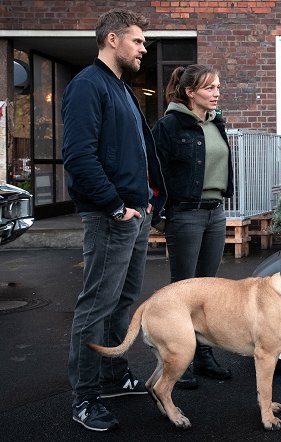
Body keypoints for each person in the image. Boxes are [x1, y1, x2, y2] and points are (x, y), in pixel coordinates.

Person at [62, 8, 166, 432]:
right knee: (95, 307)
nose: (144, 48)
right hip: (112, 217)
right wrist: (115, 205)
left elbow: (138, 153)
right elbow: (79, 157)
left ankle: (112, 374)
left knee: (124, 302)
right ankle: (84, 398)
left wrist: (150, 201)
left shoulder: (123, 90)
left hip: (134, 215)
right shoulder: (88, 86)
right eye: (138, 41)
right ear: (112, 40)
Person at [151, 64, 234, 389]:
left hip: (215, 213)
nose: (216, 93)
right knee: (182, 291)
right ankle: (177, 360)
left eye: (217, 86)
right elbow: (153, 172)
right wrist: (158, 215)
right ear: (190, 92)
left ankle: (202, 357)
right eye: (210, 88)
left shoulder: (216, 123)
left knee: (208, 291)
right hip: (185, 214)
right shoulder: (169, 126)